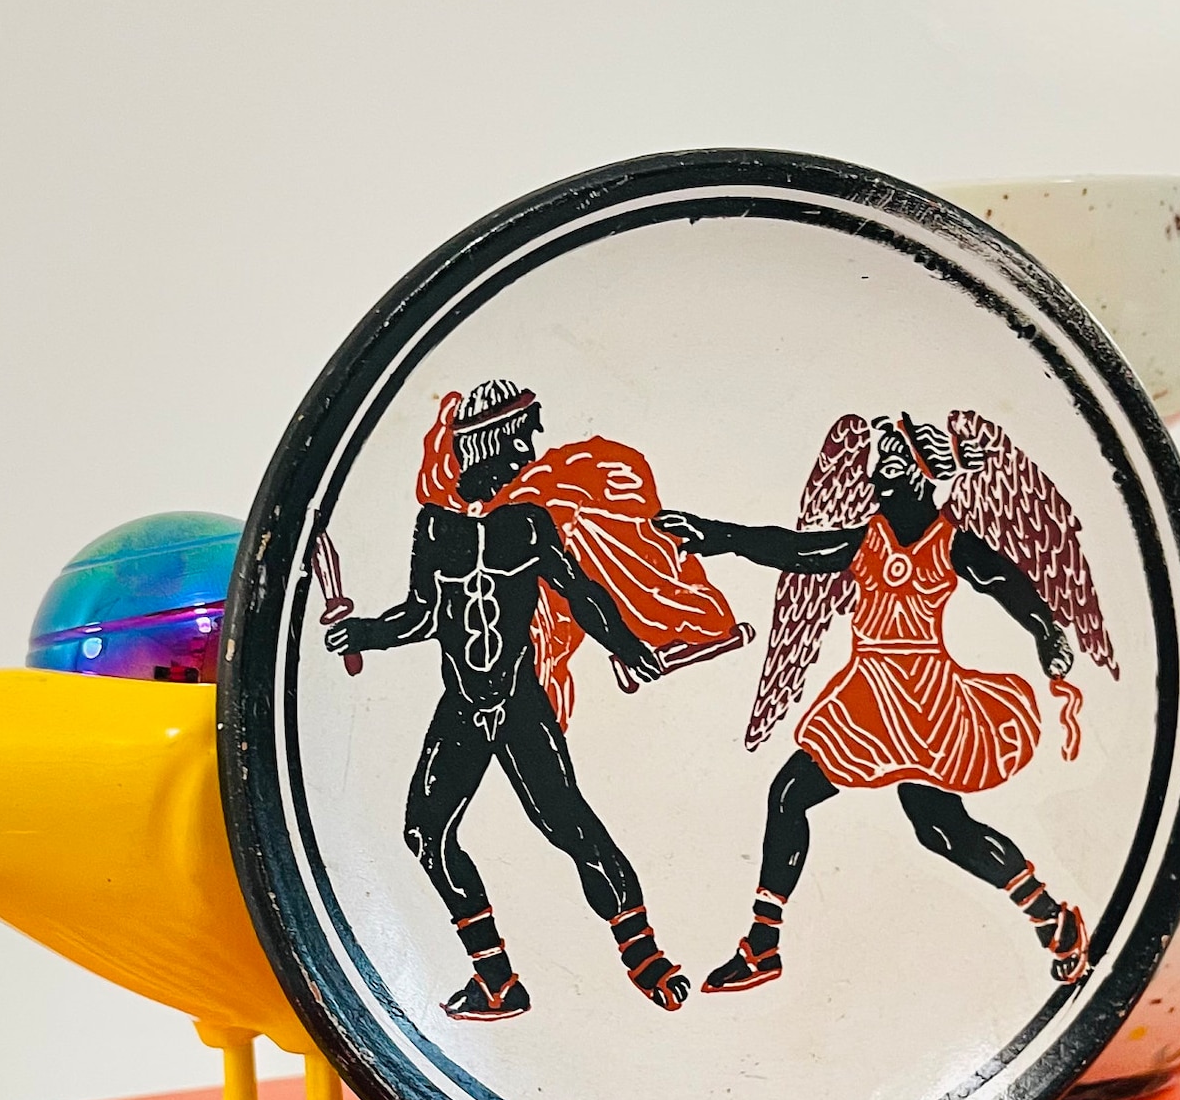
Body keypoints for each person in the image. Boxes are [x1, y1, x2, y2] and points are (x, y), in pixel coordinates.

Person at [656, 413, 1090, 993]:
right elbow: (798, 549)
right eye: (877, 468)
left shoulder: (951, 543)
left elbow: (1004, 583)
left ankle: (1049, 916)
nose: (877, 480)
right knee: (797, 797)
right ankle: (762, 945)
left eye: (890, 467)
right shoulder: (867, 539)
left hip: (925, 699)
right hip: (869, 695)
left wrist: (1046, 631)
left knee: (937, 828)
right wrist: (720, 536)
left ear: (920, 474)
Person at [328, 378, 690, 1019]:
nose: (528, 451)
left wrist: (625, 643)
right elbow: (422, 615)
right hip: (463, 707)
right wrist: (364, 634)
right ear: (484, 442)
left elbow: (580, 592)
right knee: (425, 833)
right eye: (519, 437)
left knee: (568, 825)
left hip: (519, 700)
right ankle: (496, 979)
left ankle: (644, 954)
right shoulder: (434, 528)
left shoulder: (527, 524)